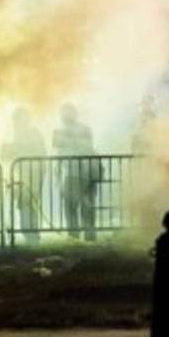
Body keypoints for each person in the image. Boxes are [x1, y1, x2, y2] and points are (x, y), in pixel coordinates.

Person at [51, 103, 97, 240]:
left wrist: (71, 138)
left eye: (69, 112)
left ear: (75, 114)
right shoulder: (59, 131)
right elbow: (59, 152)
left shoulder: (84, 129)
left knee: (87, 206)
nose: (66, 115)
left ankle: (90, 237)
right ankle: (73, 237)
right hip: (70, 174)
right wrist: (58, 171)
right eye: (63, 113)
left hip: (87, 172)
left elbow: (89, 147)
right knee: (70, 207)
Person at [3, 107, 46, 243]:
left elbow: (38, 150)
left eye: (18, 119)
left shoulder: (34, 133)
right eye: (15, 120)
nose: (16, 123)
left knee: (30, 204)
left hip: (33, 173)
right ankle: (29, 234)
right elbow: (8, 156)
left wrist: (16, 148)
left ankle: (32, 235)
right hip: (20, 175)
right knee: (23, 204)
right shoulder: (16, 135)